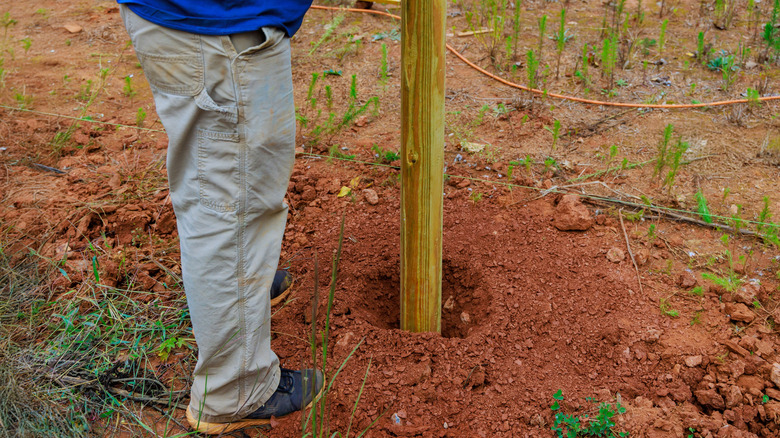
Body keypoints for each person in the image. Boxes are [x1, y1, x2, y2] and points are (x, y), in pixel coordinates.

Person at [116, 1, 323, 435]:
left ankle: (241, 292)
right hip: (220, 33)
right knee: (231, 208)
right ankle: (236, 391)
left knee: (219, 189)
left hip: (198, 23)